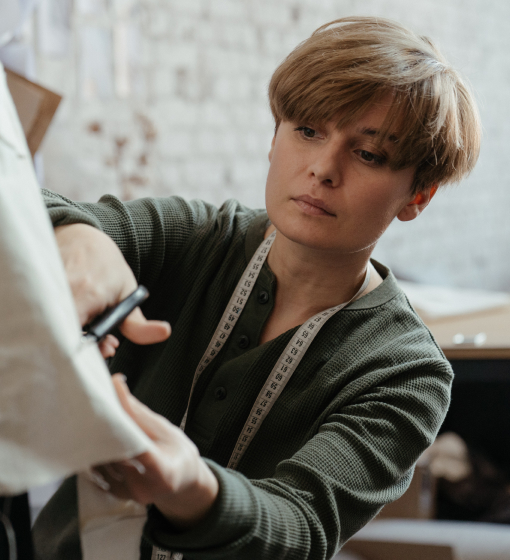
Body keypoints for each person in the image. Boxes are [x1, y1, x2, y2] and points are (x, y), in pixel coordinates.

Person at [33, 16, 481, 560]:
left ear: (418, 196)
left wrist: (191, 487)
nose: (322, 168)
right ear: (274, 138)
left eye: (368, 154)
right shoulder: (191, 236)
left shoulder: (406, 373)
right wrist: (78, 237)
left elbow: (302, 526)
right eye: (308, 130)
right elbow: (26, 208)